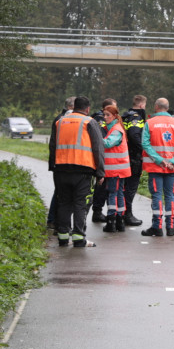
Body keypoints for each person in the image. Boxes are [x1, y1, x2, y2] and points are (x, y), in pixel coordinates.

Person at [48, 95, 105, 248]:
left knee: (64, 202)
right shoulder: (89, 122)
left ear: (73, 107)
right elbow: (98, 148)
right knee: (81, 203)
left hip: (61, 169)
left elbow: (52, 145)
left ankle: (63, 237)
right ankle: (79, 238)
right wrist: (100, 172)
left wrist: (53, 166)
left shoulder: (60, 122)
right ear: (87, 109)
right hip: (83, 170)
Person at [140, 97, 174, 237]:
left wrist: (159, 160)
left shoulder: (150, 123)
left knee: (156, 196)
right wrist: (173, 161)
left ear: (156, 107)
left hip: (156, 167)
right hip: (172, 168)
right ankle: (171, 227)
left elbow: (145, 144)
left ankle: (157, 227)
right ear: (167, 107)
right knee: (170, 196)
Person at [99, 104, 132, 233]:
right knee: (118, 194)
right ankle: (119, 221)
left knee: (112, 194)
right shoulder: (115, 128)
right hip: (118, 169)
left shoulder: (116, 130)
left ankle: (111, 222)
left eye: (108, 115)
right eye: (104, 115)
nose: (105, 117)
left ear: (114, 116)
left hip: (115, 169)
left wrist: (96, 138)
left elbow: (107, 143)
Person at [46, 96, 75, 230]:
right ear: (70, 107)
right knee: (60, 193)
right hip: (61, 161)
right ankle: (53, 220)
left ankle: (53, 220)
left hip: (58, 161)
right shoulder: (63, 120)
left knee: (59, 191)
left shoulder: (60, 118)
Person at [121, 95, 148, 227]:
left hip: (125, 156)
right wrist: (142, 150)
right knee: (130, 188)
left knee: (123, 187)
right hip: (133, 157)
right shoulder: (136, 117)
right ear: (142, 105)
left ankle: (121, 213)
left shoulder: (125, 116)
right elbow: (134, 134)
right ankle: (127, 214)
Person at [90, 97, 117, 222]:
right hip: (102, 157)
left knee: (101, 186)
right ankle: (97, 211)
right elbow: (103, 139)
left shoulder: (96, 118)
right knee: (101, 187)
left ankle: (98, 211)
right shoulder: (100, 120)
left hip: (102, 157)